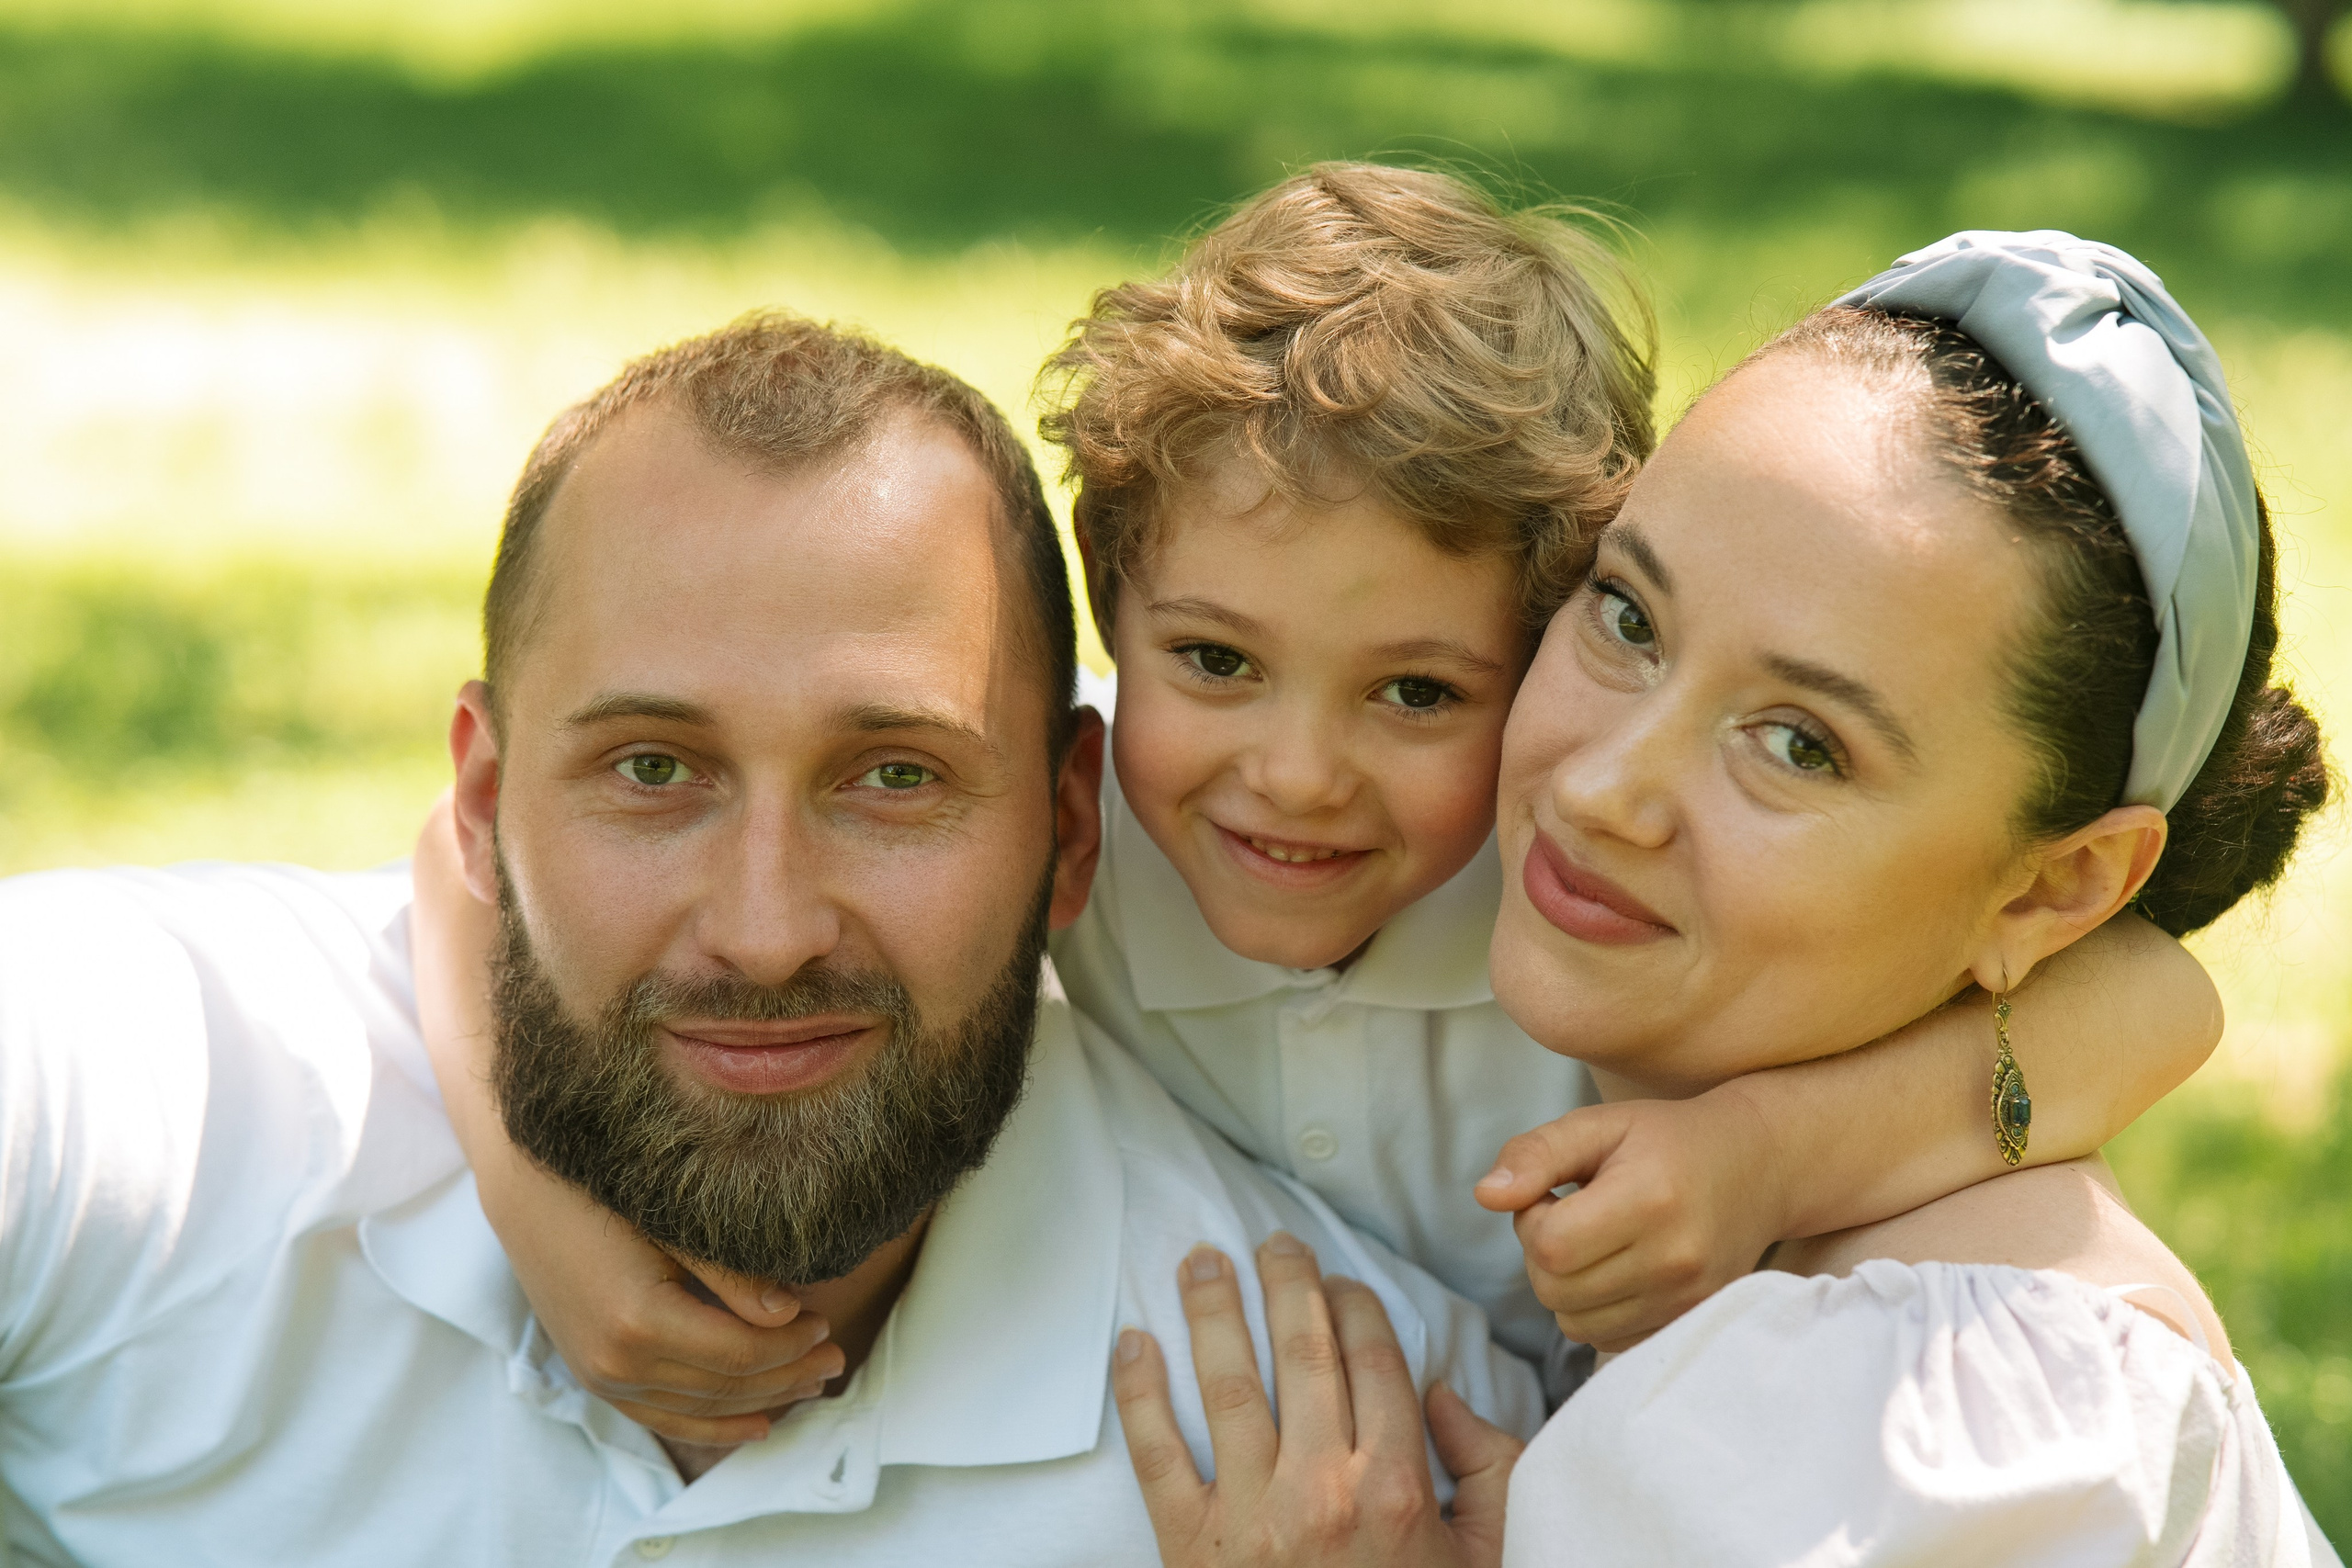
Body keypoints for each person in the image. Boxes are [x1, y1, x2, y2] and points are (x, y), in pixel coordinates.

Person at [402, 165, 2227, 1442]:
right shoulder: (1057, 824)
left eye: (1418, 693)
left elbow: (2154, 995)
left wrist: (1764, 1151)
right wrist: (540, 1207)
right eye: (1208, 663)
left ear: (1537, 653)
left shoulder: (1584, 899)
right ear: (1108, 630)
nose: (1290, 771)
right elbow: (458, 861)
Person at [0, 314, 1542, 1567]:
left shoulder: (1372, 1469)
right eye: (653, 772)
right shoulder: (141, 1096)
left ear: (1073, 830)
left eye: (894, 779)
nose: (763, 931)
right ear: (478, 800)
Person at [1114, 231, 2342, 1565]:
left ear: (2056, 893)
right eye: (1631, 618)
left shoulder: (1949, 1433)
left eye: (1801, 743)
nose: (1600, 793)